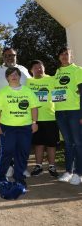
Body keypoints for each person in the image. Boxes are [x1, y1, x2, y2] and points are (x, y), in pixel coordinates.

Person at [0, 67, 39, 188]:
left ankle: (19, 177)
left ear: (20, 76)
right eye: (10, 75)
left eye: (16, 74)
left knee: (23, 152)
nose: (13, 76)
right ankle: (0, 177)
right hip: (7, 127)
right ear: (7, 78)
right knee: (6, 151)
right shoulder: (2, 92)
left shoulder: (28, 91)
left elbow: (34, 107)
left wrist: (34, 122)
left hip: (25, 127)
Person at [0, 47, 31, 178]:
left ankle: (21, 168)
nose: (10, 57)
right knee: (6, 145)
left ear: (16, 56)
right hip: (3, 114)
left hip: (22, 115)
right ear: (3, 57)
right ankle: (8, 167)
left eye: (13, 55)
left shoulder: (24, 70)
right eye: (7, 55)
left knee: (21, 145)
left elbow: (34, 83)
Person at [53, 47, 82, 185]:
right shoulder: (57, 72)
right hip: (60, 112)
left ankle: (79, 173)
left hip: (74, 111)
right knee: (68, 143)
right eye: (62, 54)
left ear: (71, 56)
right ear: (58, 57)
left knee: (78, 143)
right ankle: (69, 171)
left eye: (67, 54)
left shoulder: (78, 70)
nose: (64, 56)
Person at [27, 60, 59, 177]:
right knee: (38, 143)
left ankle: (52, 166)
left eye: (40, 67)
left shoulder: (51, 79)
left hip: (50, 117)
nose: (38, 69)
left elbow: (61, 91)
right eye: (35, 68)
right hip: (35, 119)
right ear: (31, 71)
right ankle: (38, 166)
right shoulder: (28, 82)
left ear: (44, 68)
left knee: (51, 144)